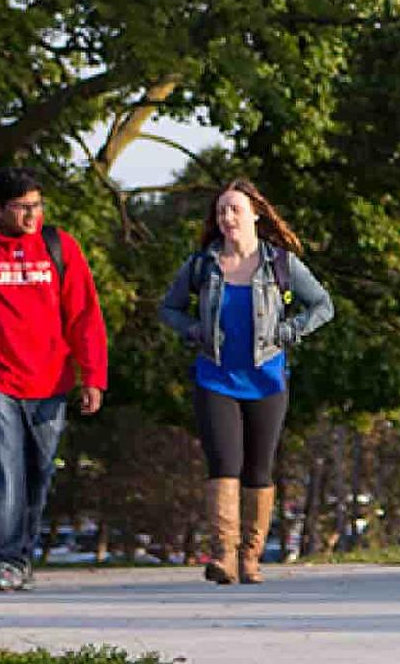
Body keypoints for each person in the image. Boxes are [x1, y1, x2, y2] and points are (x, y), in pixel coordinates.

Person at [0, 167, 110, 593]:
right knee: (5, 470)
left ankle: (21, 554)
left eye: (37, 205)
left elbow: (84, 316)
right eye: (21, 207)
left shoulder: (59, 247)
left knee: (39, 471)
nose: (32, 215)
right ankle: (7, 559)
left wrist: (93, 376)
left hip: (50, 382)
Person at [157, 179, 336, 585]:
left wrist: (291, 330)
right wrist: (192, 329)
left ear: (255, 214)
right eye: (221, 210)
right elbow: (169, 308)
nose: (227, 217)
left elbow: (323, 305)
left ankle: (250, 557)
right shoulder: (203, 264)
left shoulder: (280, 263)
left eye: (235, 209)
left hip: (266, 378)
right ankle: (223, 555)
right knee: (224, 463)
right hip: (215, 376)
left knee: (259, 467)